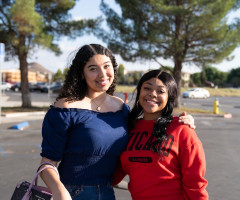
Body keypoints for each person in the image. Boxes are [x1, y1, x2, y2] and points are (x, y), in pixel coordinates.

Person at [39, 44, 195, 200]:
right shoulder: (65, 109)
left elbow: (145, 129)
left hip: (107, 193)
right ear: (81, 73)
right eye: (93, 69)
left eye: (107, 67)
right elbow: (47, 163)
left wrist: (179, 121)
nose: (102, 74)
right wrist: (60, 191)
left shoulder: (120, 108)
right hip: (72, 193)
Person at [113, 70, 208, 200]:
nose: (152, 94)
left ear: (170, 96)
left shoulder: (182, 129)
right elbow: (114, 173)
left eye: (160, 91)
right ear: (139, 91)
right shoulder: (128, 129)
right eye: (147, 88)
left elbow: (195, 182)